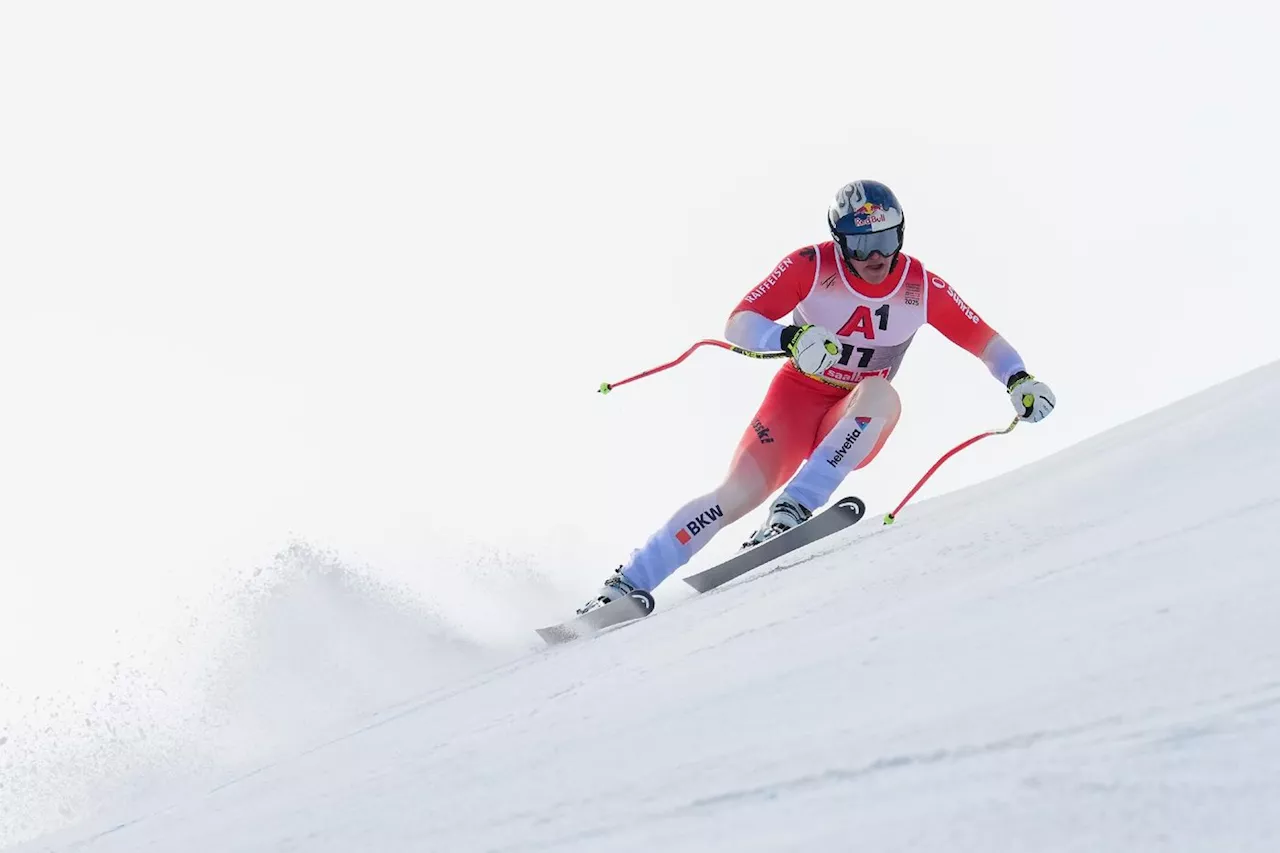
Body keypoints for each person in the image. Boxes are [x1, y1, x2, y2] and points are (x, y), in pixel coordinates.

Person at [577, 180, 1056, 615]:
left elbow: (984, 339)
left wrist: (1019, 379)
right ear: (839, 242)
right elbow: (740, 321)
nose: (876, 256)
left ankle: (794, 509)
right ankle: (623, 585)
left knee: (880, 394)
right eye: (863, 244)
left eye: (887, 240)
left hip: (852, 418)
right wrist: (785, 339)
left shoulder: (919, 286)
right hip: (794, 404)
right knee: (733, 496)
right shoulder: (811, 265)